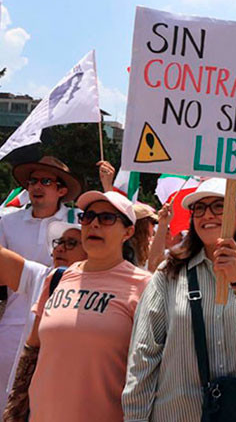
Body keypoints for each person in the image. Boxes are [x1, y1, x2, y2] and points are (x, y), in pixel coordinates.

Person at [122, 179, 236, 421]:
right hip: (178, 414)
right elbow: (144, 353)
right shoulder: (170, 272)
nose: (206, 215)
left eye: (219, 206)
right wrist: (135, 417)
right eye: (199, 208)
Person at [3, 191, 150, 422]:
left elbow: (150, 371)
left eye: (107, 218)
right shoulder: (57, 279)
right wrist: (14, 413)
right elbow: (32, 353)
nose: (94, 224)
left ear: (128, 231)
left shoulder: (145, 287)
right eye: (88, 216)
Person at [0, 156, 82, 410]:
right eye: (32, 181)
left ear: (61, 190)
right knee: (6, 402)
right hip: (13, 326)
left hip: (63, 325)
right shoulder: (7, 222)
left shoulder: (80, 222)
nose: (37, 186)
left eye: (46, 181)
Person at [129, 203, 157, 269]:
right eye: (153, 222)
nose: (154, 226)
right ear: (142, 225)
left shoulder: (143, 246)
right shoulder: (128, 248)